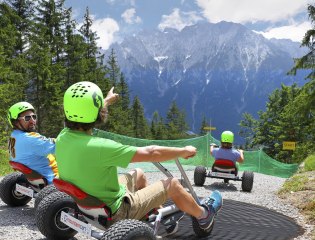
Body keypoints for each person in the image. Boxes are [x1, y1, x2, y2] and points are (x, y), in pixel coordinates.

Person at [55, 81, 222, 231]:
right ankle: (204, 215)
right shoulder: (101, 147)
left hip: (87, 203)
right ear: (97, 113)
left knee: (139, 174)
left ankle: (155, 212)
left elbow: (86, 112)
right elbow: (151, 152)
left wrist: (106, 100)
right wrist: (183, 151)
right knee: (172, 184)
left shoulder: (63, 136)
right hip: (116, 212)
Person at [7, 102, 58, 184]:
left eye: (34, 117)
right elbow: (58, 146)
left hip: (33, 175)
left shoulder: (13, 136)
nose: (32, 121)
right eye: (27, 118)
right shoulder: (30, 138)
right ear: (15, 122)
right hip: (53, 179)